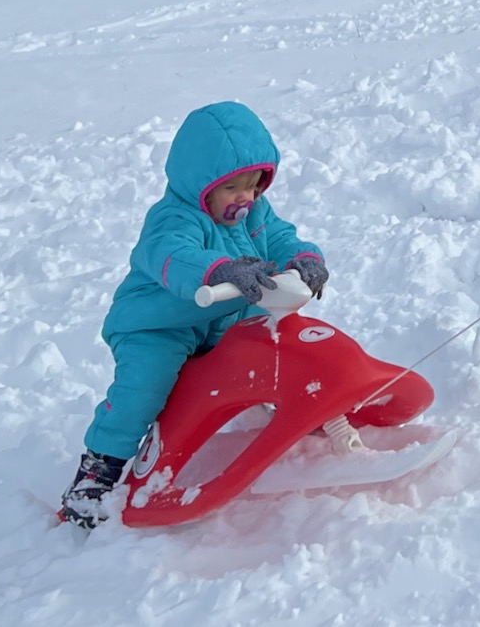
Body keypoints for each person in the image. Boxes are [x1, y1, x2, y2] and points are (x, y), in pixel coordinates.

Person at [58, 100, 329, 529]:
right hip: (157, 325)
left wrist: (302, 257)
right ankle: (98, 472)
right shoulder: (172, 218)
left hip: (222, 323)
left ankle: (304, 409)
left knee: (274, 344)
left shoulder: (255, 212)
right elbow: (174, 256)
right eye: (232, 187)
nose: (245, 198)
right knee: (145, 388)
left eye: (254, 184)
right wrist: (218, 269)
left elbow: (280, 238)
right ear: (200, 184)